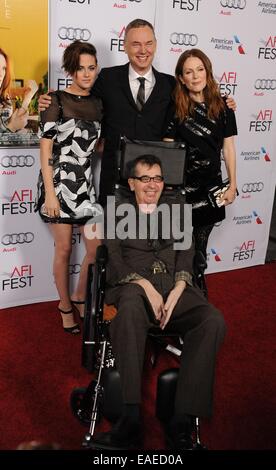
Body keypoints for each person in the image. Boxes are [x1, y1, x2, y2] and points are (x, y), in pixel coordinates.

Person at [90, 154, 226, 451]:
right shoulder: (116, 210)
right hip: (132, 288)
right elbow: (112, 259)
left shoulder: (176, 207)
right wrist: (142, 284)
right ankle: (129, 418)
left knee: (212, 320)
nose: (153, 185)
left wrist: (180, 285)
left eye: (158, 178)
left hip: (173, 287)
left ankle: (181, 420)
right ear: (132, 183)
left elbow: (187, 251)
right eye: (145, 179)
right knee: (128, 310)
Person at [38, 19, 236, 206]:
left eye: (148, 43)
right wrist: (52, 100)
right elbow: (81, 99)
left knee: (150, 240)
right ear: (124, 46)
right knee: (112, 241)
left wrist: (225, 102)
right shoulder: (107, 78)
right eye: (136, 44)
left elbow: (197, 100)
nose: (143, 50)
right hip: (114, 184)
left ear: (156, 45)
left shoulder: (171, 85)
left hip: (154, 186)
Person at [35, 40, 102, 334]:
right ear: (70, 70)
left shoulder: (99, 104)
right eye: (79, 69)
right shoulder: (56, 101)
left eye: (91, 68)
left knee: (96, 248)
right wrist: (50, 193)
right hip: (59, 184)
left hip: (85, 185)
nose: (86, 74)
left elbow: (95, 146)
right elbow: (45, 150)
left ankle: (79, 295)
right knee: (63, 249)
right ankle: (64, 305)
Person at [164, 49, 237, 290]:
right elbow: (168, 150)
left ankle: (198, 288)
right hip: (181, 190)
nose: (195, 76)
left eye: (200, 69)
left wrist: (233, 184)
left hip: (212, 189)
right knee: (179, 248)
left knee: (201, 248)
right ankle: (179, 291)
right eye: (188, 71)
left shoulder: (224, 106)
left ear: (207, 71)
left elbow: (228, 149)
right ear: (181, 78)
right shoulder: (175, 108)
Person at [0, 47, 28, 133]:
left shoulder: (4, 98)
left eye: (4, 68)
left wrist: (17, 130)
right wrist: (13, 127)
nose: (1, 74)